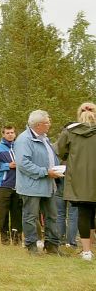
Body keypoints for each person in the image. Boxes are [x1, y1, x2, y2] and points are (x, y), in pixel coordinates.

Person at [13, 109, 63, 255]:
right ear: (39, 124)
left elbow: (50, 157)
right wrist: (45, 172)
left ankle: (52, 246)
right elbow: (23, 164)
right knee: (30, 217)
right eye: (47, 122)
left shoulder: (44, 138)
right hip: (31, 186)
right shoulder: (24, 140)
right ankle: (31, 246)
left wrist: (58, 169)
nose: (50, 124)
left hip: (48, 185)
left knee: (52, 216)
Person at [56, 102, 96, 261]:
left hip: (79, 180)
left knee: (85, 214)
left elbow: (60, 151)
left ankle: (87, 251)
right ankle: (90, 249)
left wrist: (71, 158)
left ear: (79, 114)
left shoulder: (70, 131)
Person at [0, 124, 22, 245]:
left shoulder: (20, 147)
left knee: (17, 213)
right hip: (2, 184)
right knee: (3, 213)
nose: (10, 135)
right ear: (3, 134)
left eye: (12, 132)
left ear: (15, 133)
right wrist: (7, 166)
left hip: (18, 184)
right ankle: (5, 239)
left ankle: (17, 238)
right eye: (7, 133)